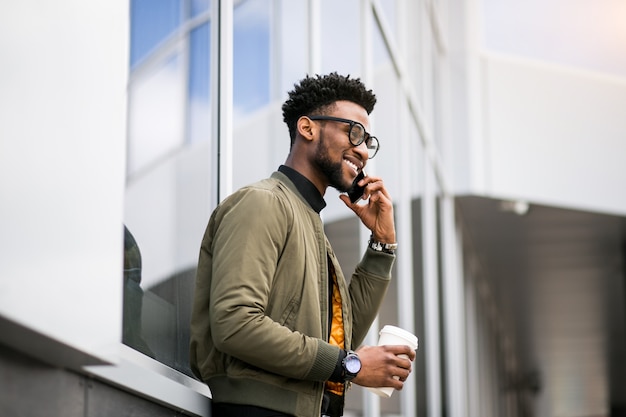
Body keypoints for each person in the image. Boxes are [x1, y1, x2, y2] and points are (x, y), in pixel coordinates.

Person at [189, 72, 415, 417]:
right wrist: (349, 365)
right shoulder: (262, 202)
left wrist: (382, 245)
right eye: (353, 132)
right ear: (307, 128)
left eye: (367, 140)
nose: (362, 150)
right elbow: (235, 323)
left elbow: (343, 336)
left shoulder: (312, 226)